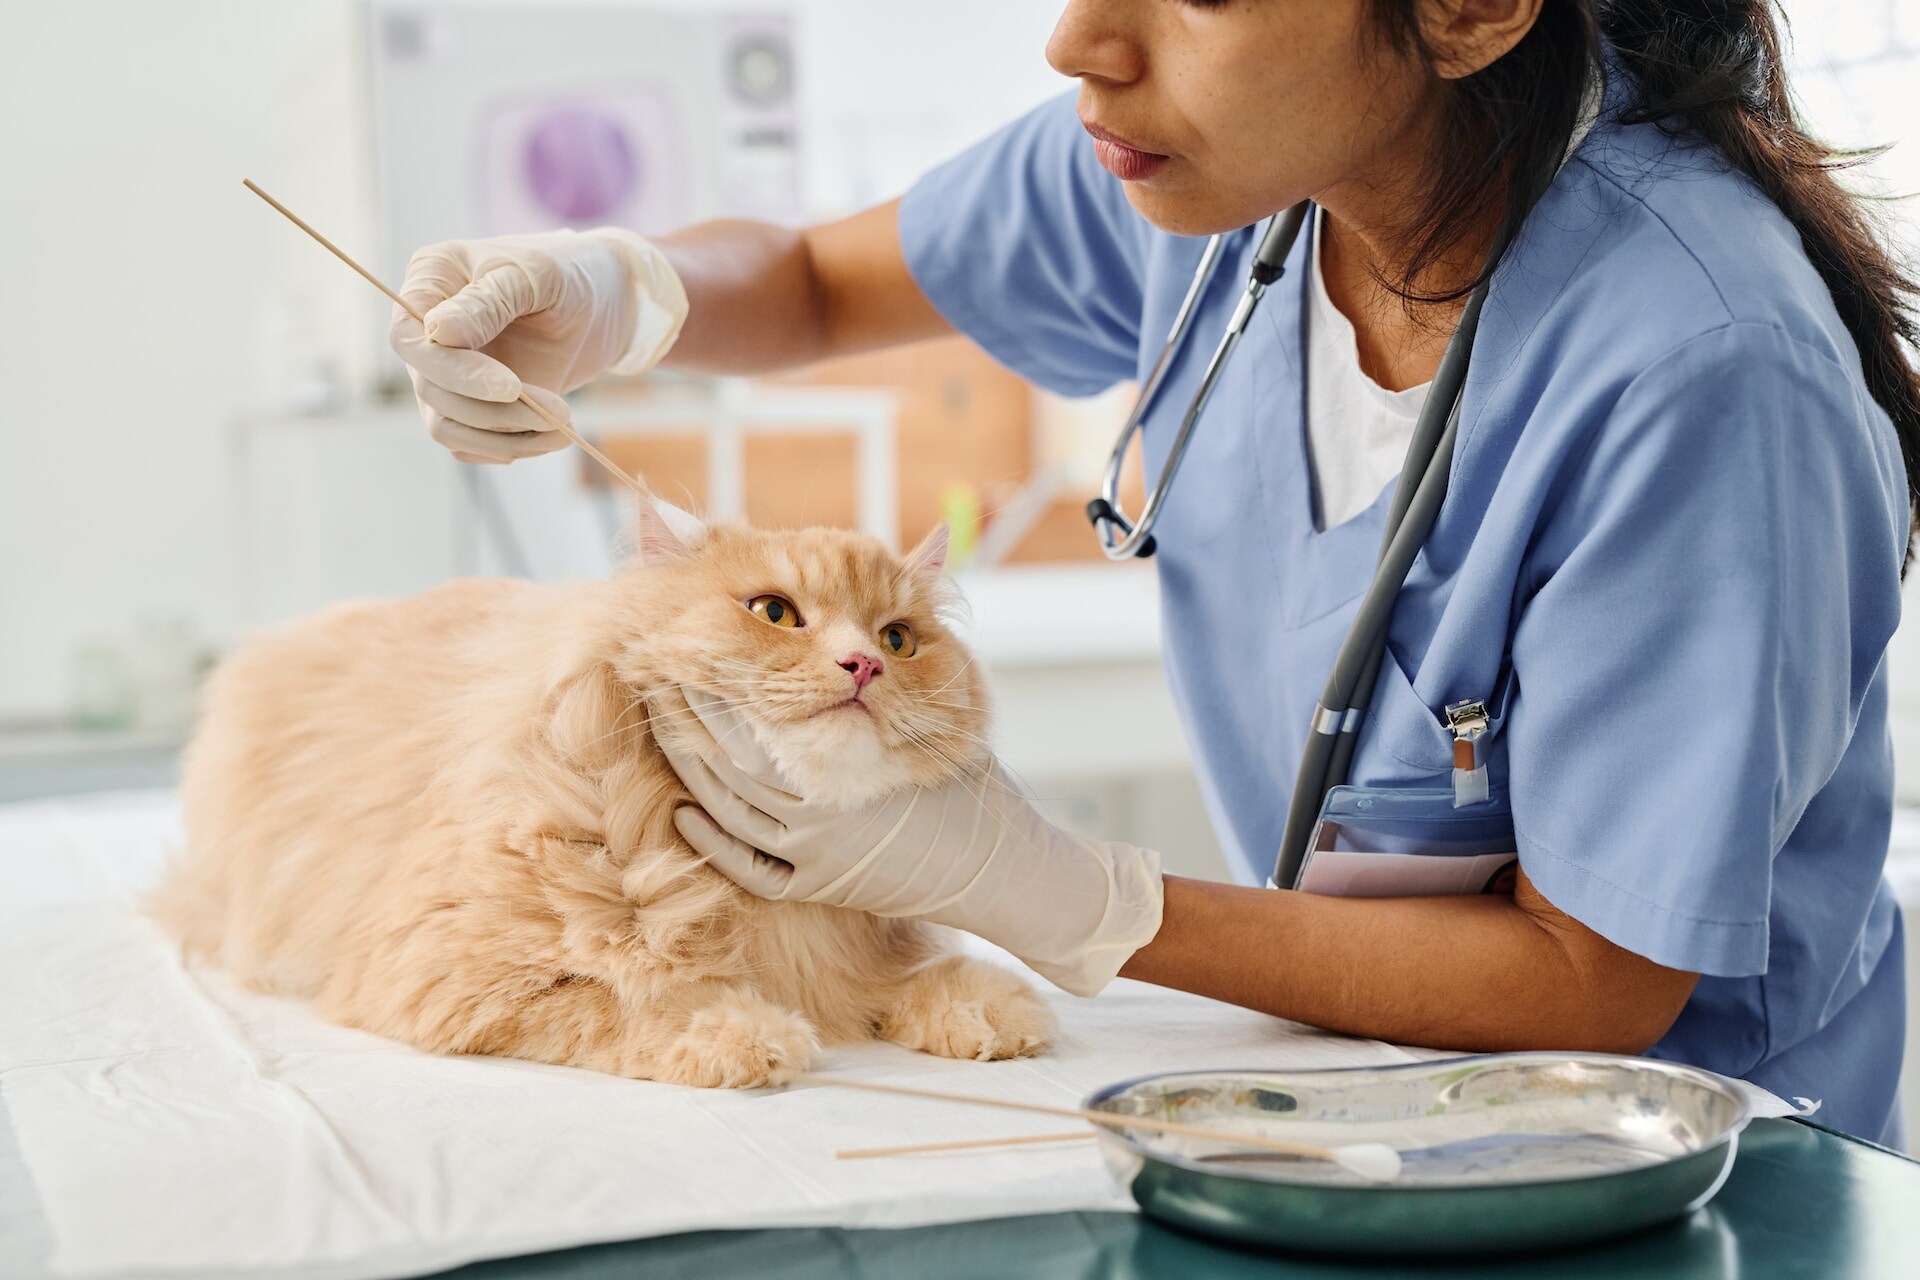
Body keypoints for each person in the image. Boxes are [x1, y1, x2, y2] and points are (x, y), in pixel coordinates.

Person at [387, 0, 1919, 1146]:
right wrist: (615, 296)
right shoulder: (1217, 175)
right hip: (1370, 1117)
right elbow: (796, 287)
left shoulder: (1703, 368)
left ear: (1466, 11)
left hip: (1682, 1168)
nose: (1078, 44)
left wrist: (1061, 896)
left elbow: (1595, 981)